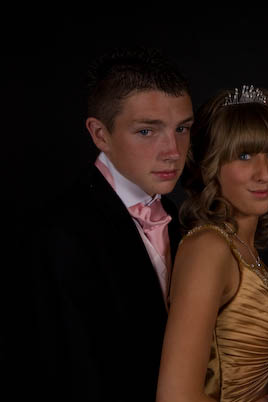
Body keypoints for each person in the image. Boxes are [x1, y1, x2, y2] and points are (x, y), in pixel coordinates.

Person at [23, 47, 194, 401]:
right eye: (147, 131)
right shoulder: (61, 233)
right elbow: (68, 373)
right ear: (100, 134)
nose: (174, 151)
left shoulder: (177, 215)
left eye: (182, 128)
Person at [156, 85, 268, 402]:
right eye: (244, 156)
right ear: (211, 165)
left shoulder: (242, 249)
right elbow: (175, 396)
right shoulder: (208, 248)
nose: (264, 174)